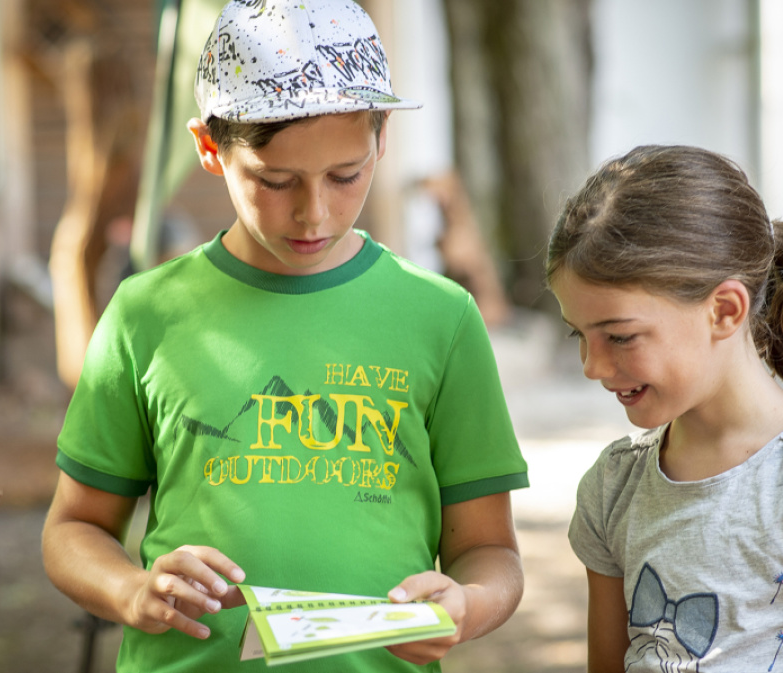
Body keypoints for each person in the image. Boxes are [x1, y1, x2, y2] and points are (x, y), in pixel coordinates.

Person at [41, 1, 529, 671]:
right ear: (210, 148)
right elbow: (73, 528)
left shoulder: (441, 318)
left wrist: (467, 604)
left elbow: (492, 551)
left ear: (381, 141)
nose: (314, 212)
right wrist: (130, 588)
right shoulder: (146, 312)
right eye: (276, 181)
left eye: (346, 175)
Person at [547, 145, 783, 672]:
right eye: (579, 335)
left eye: (619, 337)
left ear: (724, 310)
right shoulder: (613, 486)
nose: (592, 366)